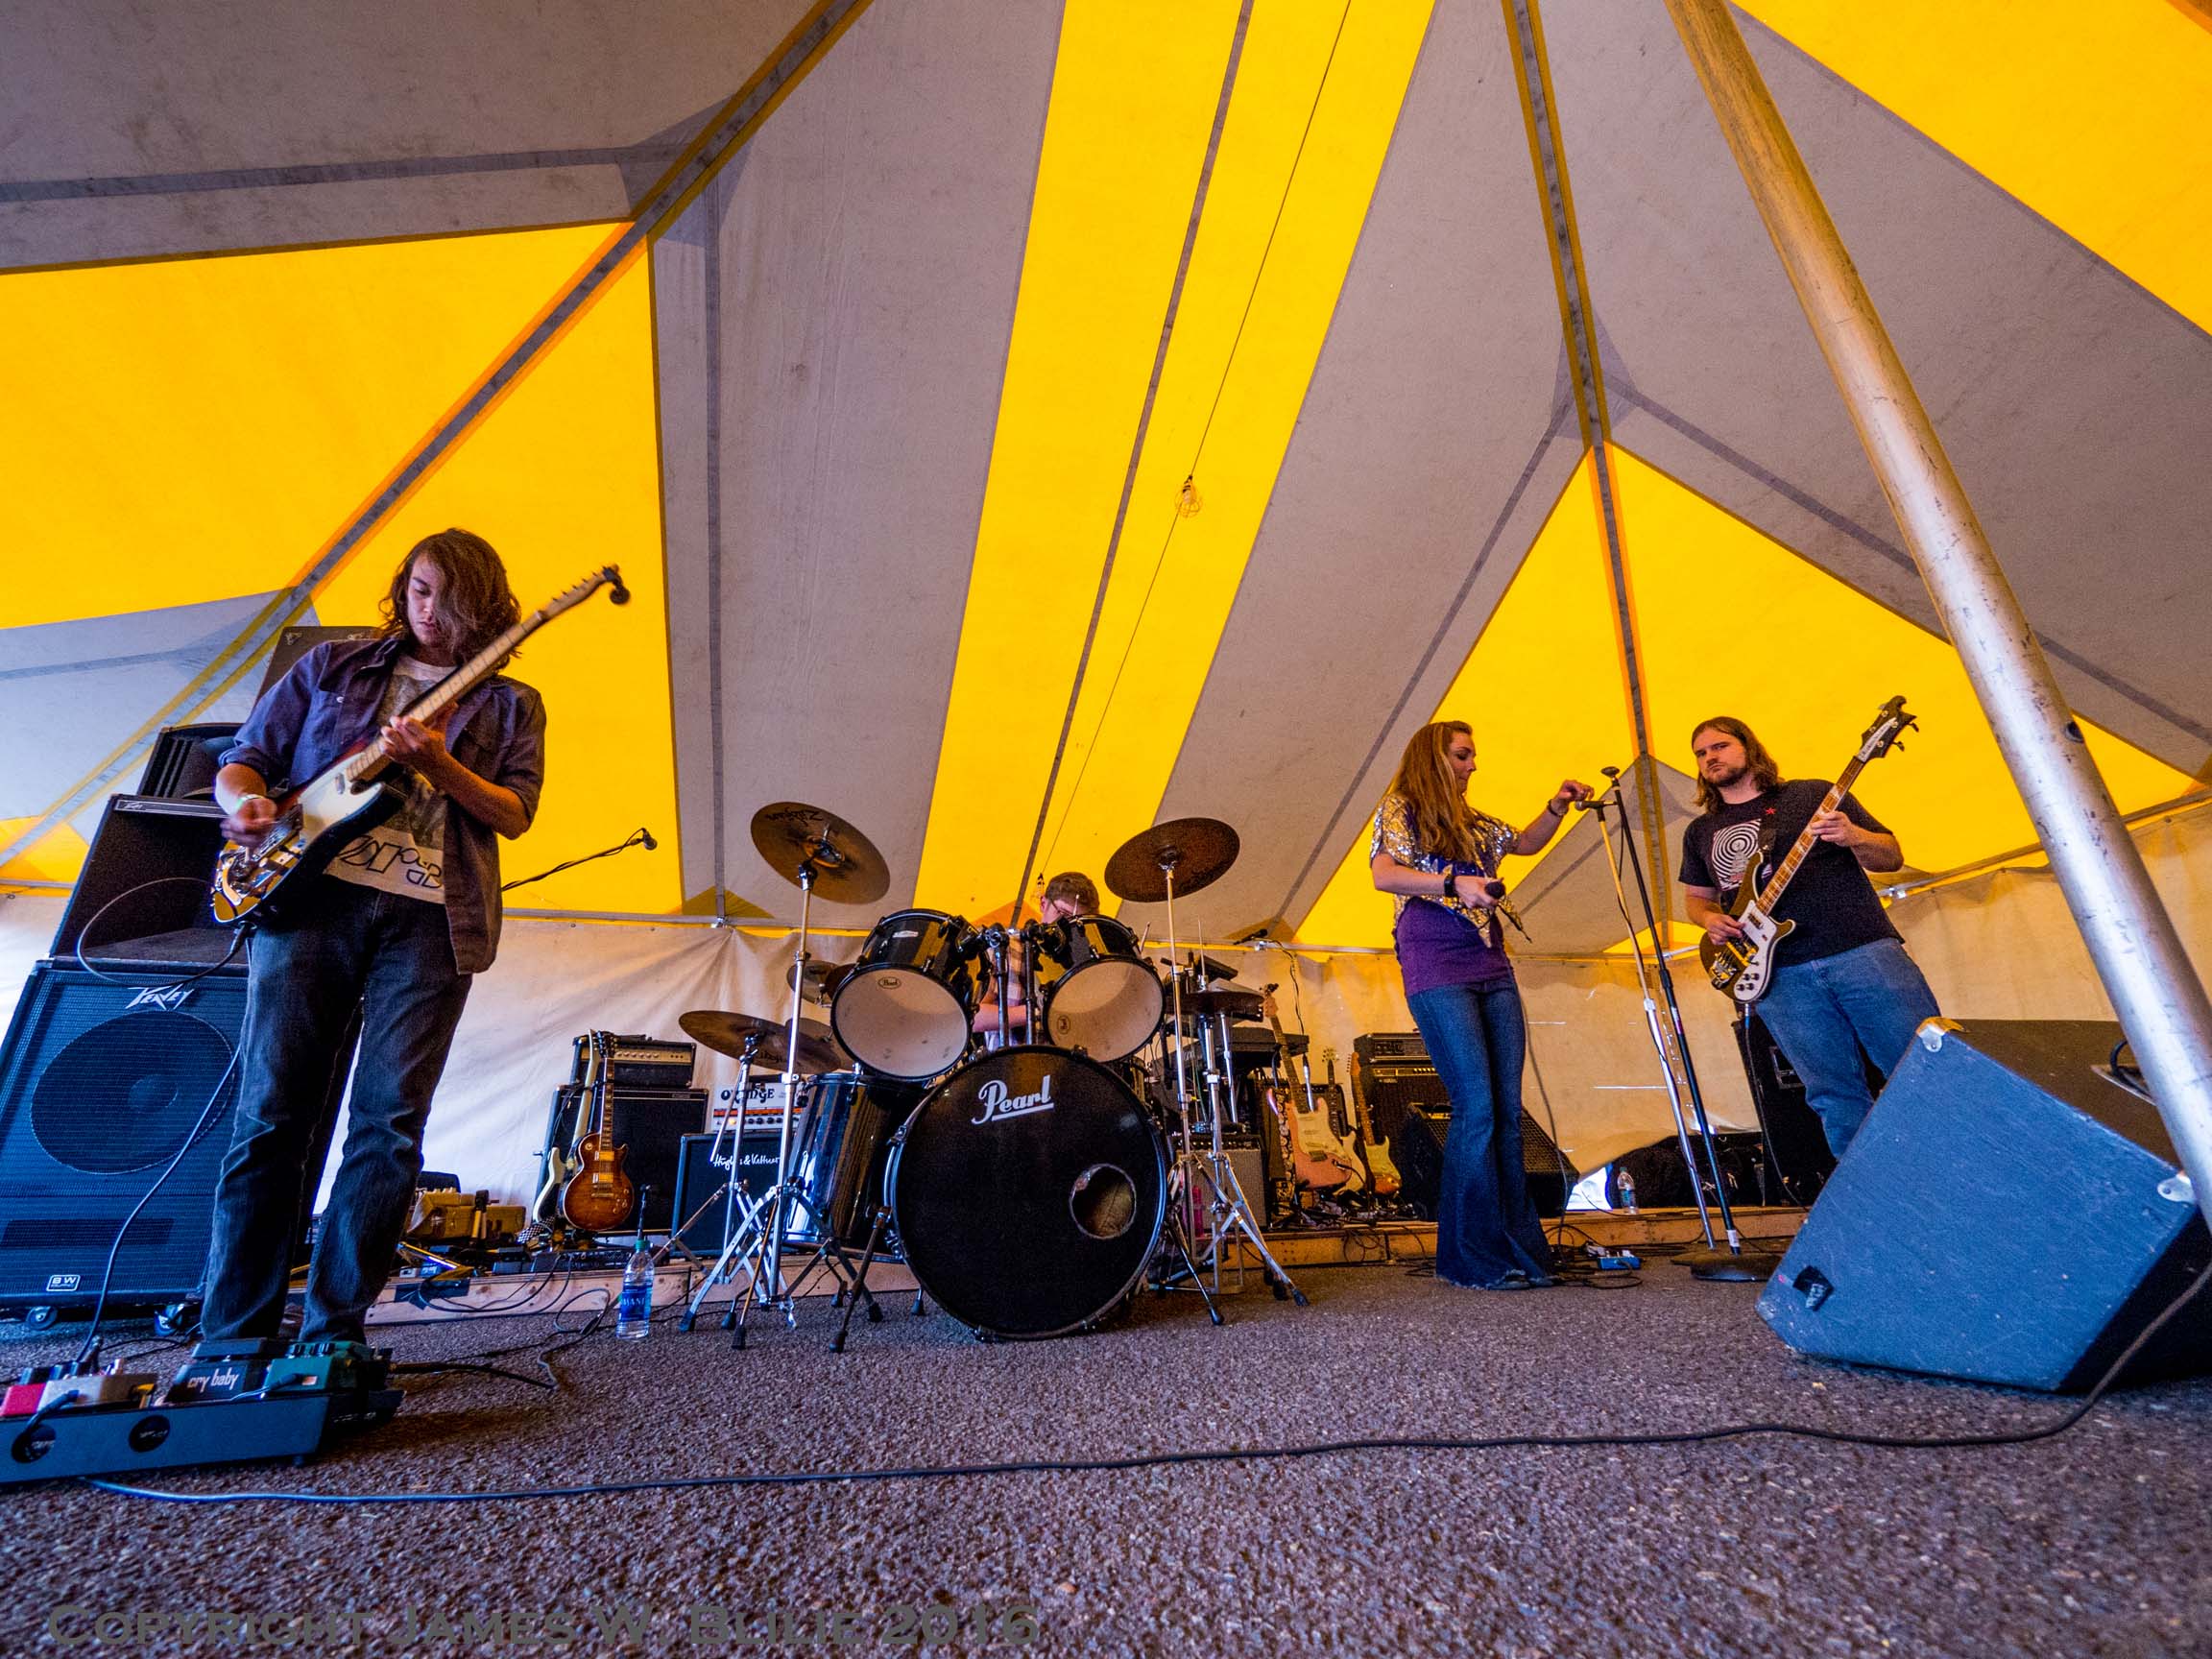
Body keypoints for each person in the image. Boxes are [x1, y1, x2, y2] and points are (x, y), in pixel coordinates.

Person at [200, 528, 547, 1348]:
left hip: (432, 921)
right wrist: (243, 804)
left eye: (448, 599)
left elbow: (516, 813)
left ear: (484, 608)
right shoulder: (333, 665)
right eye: (419, 591)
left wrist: (441, 765)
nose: (429, 611)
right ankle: (232, 1338)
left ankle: (334, 1336)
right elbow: (245, 758)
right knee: (270, 1115)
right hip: (308, 906)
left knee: (388, 1127)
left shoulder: (512, 703)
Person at [1369, 721, 1589, 1290]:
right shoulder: (1401, 808)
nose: (1472, 765)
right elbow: (1384, 875)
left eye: (1472, 756)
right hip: (1436, 964)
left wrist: (1557, 806)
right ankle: (1470, 1257)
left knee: (1508, 1113)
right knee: (1477, 1108)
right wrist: (1452, 884)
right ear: (1433, 758)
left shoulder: (1474, 823)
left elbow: (1526, 841)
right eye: (1463, 755)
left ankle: (1521, 1250)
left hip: (1491, 964)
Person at [1676, 714, 1939, 1156]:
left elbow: (1891, 856)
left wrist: (1853, 835)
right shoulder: (1700, 831)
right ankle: (1865, 1188)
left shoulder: (1812, 794)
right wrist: (1708, 920)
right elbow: (1696, 899)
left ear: (1748, 747)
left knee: (1920, 1063)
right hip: (1778, 976)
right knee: (1832, 1094)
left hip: (1859, 949)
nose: (1709, 758)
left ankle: (1960, 1166)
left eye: (1719, 746)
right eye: (1701, 753)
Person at [973, 871, 1100, 1043]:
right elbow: (975, 1017)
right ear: (1043, 903)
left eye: (1077, 923)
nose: (1067, 927)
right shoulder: (1005, 946)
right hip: (1010, 1058)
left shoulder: (1080, 965)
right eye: (1063, 915)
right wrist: (1037, 1011)